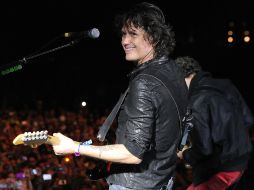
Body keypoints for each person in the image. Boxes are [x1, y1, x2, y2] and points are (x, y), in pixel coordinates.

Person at [52, 2, 188, 190]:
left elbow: (132, 153)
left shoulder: (145, 82)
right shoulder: (173, 70)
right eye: (124, 34)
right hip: (161, 180)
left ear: (154, 37)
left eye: (133, 34)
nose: (124, 41)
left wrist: (75, 147)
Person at [175, 56, 254, 190]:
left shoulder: (197, 102)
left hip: (222, 169)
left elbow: (204, 150)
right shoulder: (226, 84)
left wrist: (184, 155)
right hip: (243, 160)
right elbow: (248, 120)